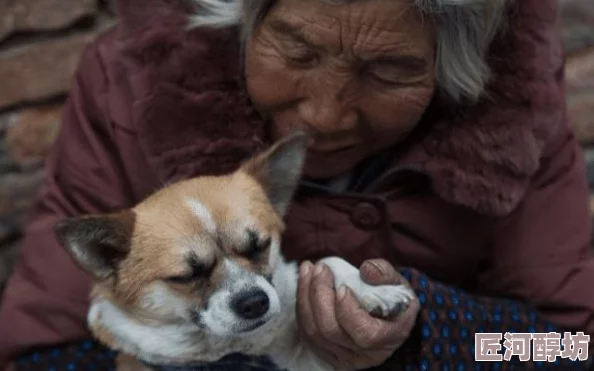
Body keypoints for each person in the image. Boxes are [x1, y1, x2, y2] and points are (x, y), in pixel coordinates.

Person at [1, 0, 593, 370]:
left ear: (453, 70)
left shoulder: (515, 123)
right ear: (243, 16)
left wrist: (427, 334)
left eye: (389, 71)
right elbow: (35, 356)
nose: (325, 116)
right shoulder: (126, 90)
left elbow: (570, 350)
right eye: (298, 51)